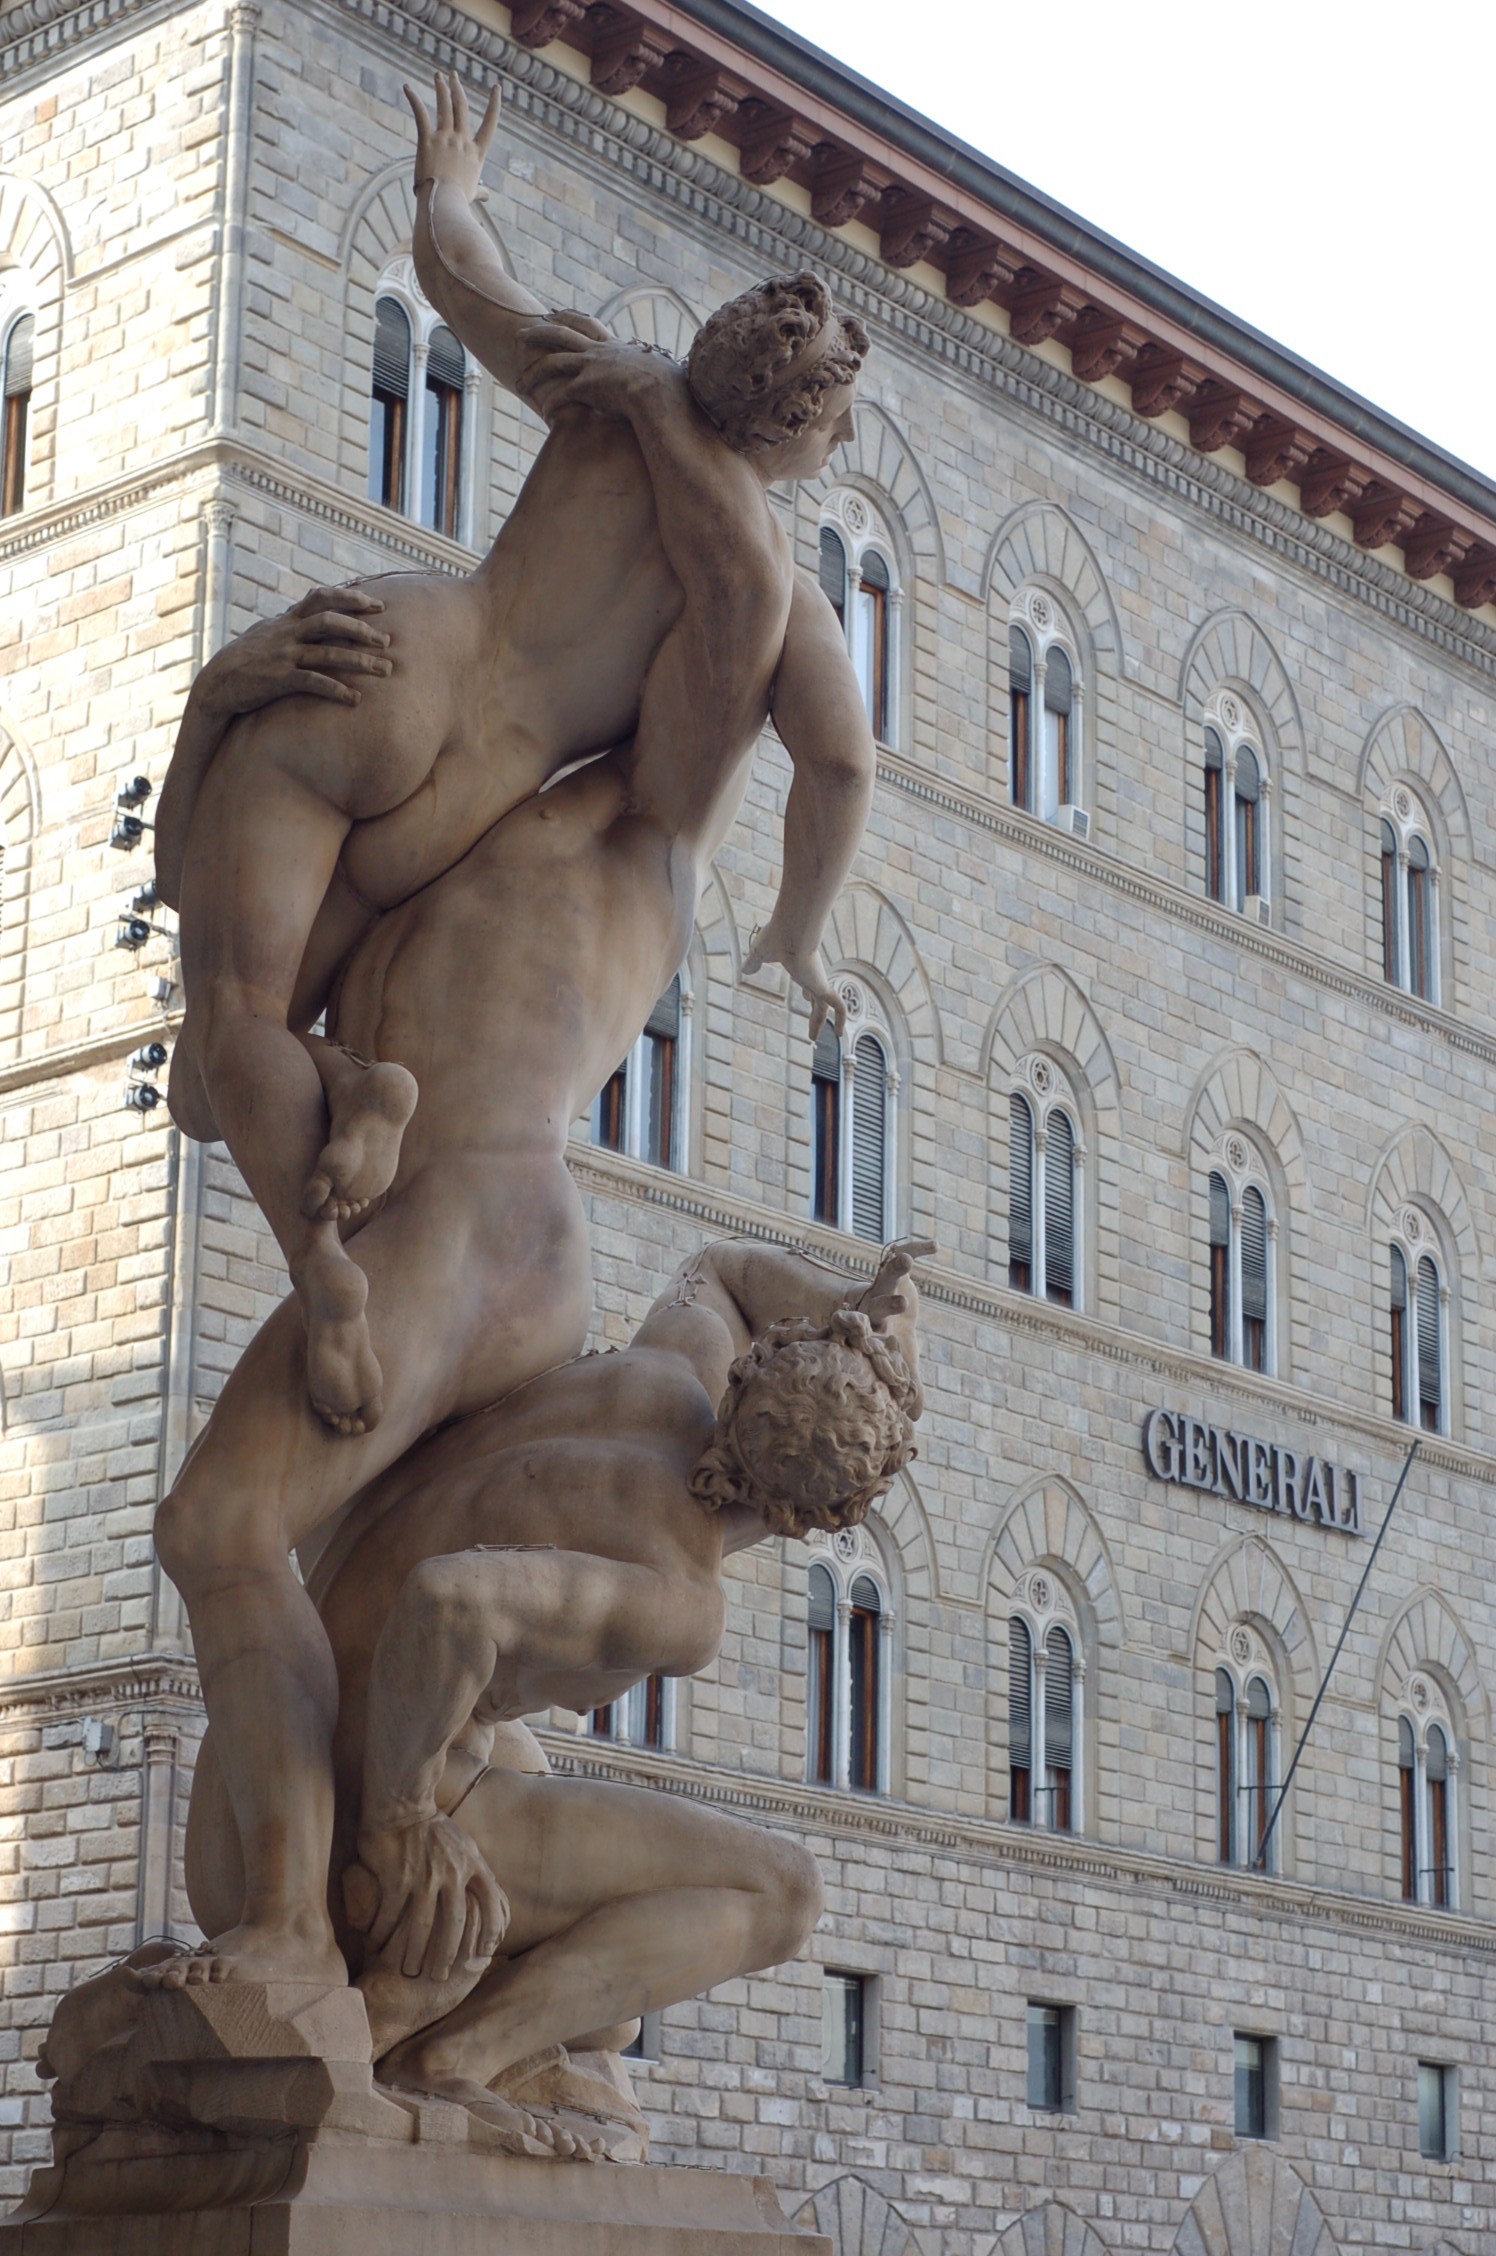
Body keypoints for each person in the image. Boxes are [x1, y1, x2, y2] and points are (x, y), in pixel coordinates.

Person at [148, 310, 879, 1997]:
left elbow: (769, 643)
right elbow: (213, 1059)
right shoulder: (506, 821)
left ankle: (281, 1955)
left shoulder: (625, 830)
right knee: (341, 1589)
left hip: (462, 1231)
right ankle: (425, 1932)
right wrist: (223, 696)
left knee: (220, 1531)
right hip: (482, 1238)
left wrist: (657, 415)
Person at [155, 68, 876, 1435]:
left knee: (225, 1047)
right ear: (798, 431)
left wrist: (448, 184)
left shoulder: (614, 385)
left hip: (399, 661)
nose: (835, 447)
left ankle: (343, 1154)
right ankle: (346, 1161)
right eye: (837, 427)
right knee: (224, 1065)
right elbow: (840, 765)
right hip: (476, 794)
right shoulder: (773, 586)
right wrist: (799, 930)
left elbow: (461, 276)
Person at [180, 1237, 926, 2155]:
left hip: (252, 1797)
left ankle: (510, 2022)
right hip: (347, 1861)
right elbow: (451, 1603)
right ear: (811, 1520)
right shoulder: (678, 1596)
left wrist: (853, 1302)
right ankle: (447, 2058)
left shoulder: (667, 1374)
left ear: (759, 1363)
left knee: (602, 1985)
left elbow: (720, 1268)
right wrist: (400, 1820)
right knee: (784, 1892)